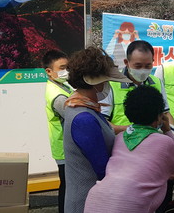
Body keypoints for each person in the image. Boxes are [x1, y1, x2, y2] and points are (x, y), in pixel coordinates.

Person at [84, 85, 174, 213]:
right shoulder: (164, 141)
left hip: (96, 200)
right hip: (130, 204)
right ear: (160, 116)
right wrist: (167, 130)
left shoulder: (121, 138)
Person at [61, 47, 132, 212]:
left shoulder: (85, 107)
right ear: (93, 82)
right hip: (87, 202)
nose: (107, 86)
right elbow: (103, 168)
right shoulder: (83, 118)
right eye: (105, 81)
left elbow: (106, 129)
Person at [101, 40, 174, 131]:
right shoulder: (111, 84)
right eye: (138, 66)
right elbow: (102, 122)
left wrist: (170, 130)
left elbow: (166, 113)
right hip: (122, 141)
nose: (143, 70)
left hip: (153, 141)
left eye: (148, 66)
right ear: (126, 62)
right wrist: (132, 130)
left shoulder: (157, 82)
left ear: (153, 62)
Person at [42, 50, 72, 213]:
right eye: (62, 68)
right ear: (49, 71)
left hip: (63, 146)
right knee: (67, 187)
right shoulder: (57, 95)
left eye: (67, 67)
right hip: (64, 147)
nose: (66, 71)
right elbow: (73, 116)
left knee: (67, 185)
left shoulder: (60, 85)